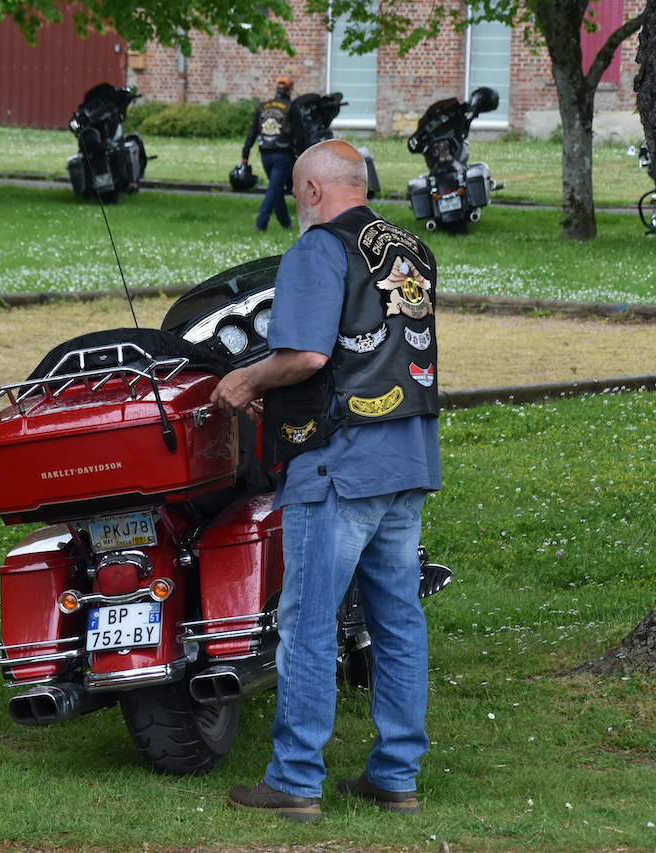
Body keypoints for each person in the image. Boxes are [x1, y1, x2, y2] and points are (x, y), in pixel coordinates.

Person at [211, 139, 441, 821]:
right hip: (408, 455)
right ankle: (396, 775)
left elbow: (307, 356)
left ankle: (295, 779)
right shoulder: (410, 249)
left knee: (308, 621)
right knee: (397, 620)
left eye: (295, 194)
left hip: (339, 461)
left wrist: (247, 379)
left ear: (312, 190)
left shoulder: (318, 248)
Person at [241, 74, 300, 232]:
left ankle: (285, 222)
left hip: (265, 153)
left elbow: (253, 131)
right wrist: (305, 154)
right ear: (290, 90)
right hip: (283, 154)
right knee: (274, 189)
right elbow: (300, 134)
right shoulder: (291, 107)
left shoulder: (263, 107)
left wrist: (245, 153)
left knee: (276, 188)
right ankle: (261, 224)